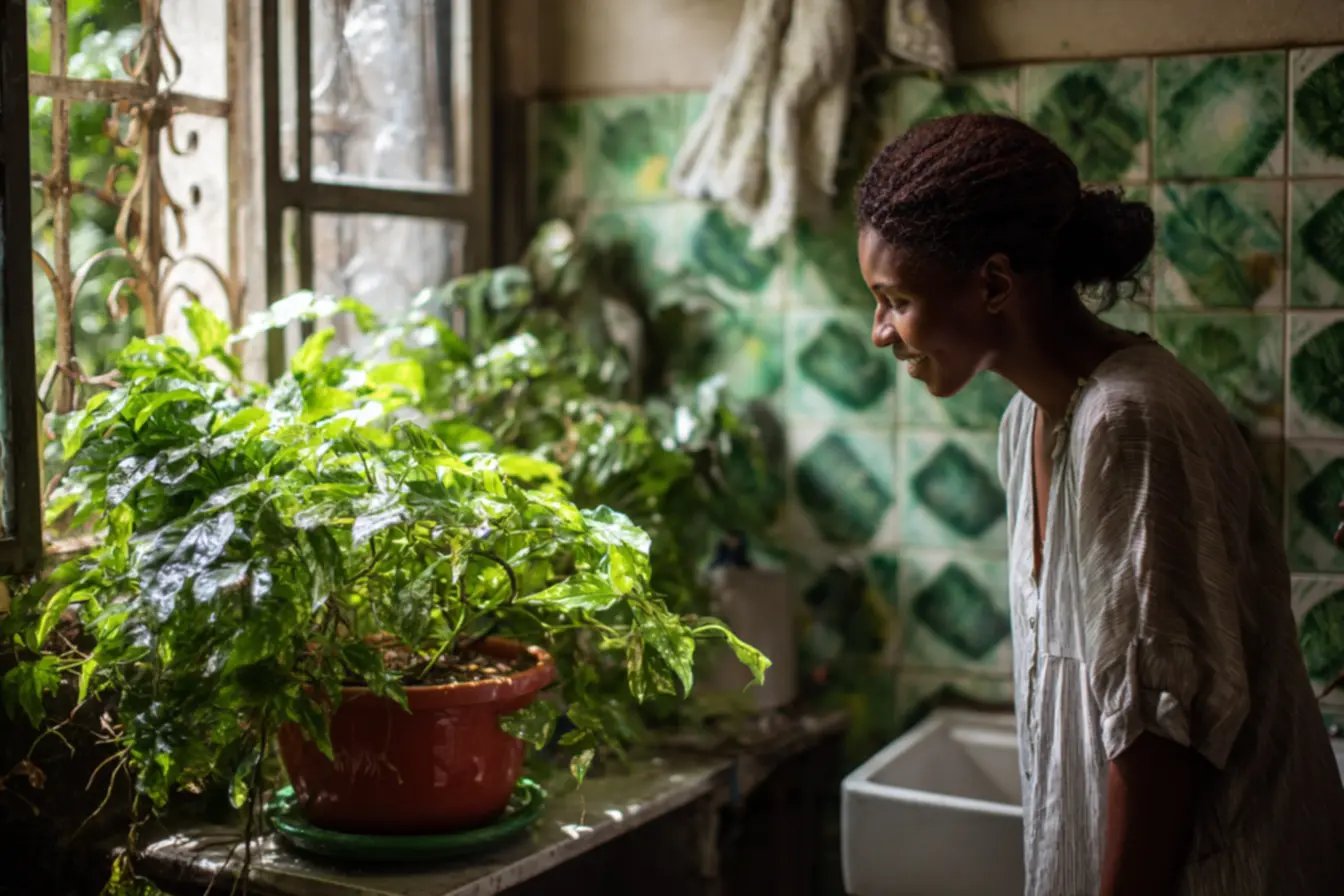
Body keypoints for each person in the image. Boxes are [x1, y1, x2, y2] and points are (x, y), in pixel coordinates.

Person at [855, 113, 1344, 896]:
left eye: (895, 299)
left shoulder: (1132, 421)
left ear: (993, 285)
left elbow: (1159, 748)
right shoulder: (1032, 422)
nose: (880, 332)